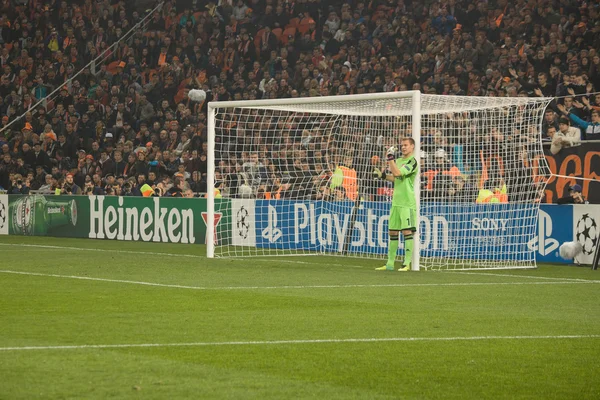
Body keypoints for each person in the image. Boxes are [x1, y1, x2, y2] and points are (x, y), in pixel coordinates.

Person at [374, 138, 418, 272]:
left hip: (407, 202)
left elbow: (398, 172)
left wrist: (390, 158)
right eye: (402, 145)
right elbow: (395, 177)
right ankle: (390, 264)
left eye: (406, 145)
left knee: (406, 231)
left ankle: (406, 263)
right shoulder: (398, 161)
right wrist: (383, 176)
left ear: (412, 147)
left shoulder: (412, 162)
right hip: (396, 202)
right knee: (392, 231)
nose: (403, 147)